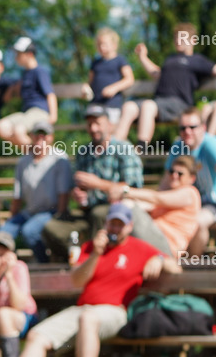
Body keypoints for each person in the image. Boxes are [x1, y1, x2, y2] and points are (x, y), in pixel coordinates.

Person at [0, 203, 182, 357]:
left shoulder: (139, 247)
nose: (115, 229)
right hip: (82, 309)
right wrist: (95, 254)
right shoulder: (91, 247)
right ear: (105, 225)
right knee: (38, 334)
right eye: (112, 224)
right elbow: (77, 280)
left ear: (129, 227)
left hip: (115, 312)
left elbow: (176, 269)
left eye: (120, 225)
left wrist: (158, 259)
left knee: (88, 319)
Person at [41, 103, 143, 262]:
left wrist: (98, 184)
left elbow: (134, 189)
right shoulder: (83, 152)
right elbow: (82, 193)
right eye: (90, 124)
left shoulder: (124, 149)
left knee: (99, 214)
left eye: (98, 123)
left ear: (109, 125)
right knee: (51, 228)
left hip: (117, 211)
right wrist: (79, 195)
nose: (94, 128)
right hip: (88, 212)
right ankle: (74, 265)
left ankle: (97, 264)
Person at [116, 24, 216, 143]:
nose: (178, 41)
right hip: (159, 102)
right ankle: (114, 148)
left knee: (148, 106)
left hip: (179, 103)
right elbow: (156, 74)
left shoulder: (197, 60)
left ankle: (140, 151)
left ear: (193, 40)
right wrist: (142, 57)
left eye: (182, 37)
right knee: (129, 107)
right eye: (176, 38)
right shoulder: (170, 59)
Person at [163, 109, 216, 255]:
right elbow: (165, 182)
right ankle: (173, 261)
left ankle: (194, 267)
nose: (187, 131)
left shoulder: (211, 144)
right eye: (183, 128)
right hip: (188, 203)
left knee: (197, 222)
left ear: (203, 128)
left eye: (192, 127)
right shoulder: (178, 146)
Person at [0, 120, 72, 262]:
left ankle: (44, 263)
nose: (40, 138)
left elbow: (64, 193)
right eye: (37, 134)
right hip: (29, 212)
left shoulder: (59, 159)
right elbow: (17, 196)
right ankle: (6, 268)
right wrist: (11, 219)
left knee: (29, 231)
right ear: (31, 136)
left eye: (44, 134)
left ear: (51, 137)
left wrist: (61, 215)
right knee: (1, 234)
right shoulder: (23, 161)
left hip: (52, 212)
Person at [107, 155, 201, 257]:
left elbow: (156, 198)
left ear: (192, 178)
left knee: (127, 208)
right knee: (121, 207)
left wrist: (125, 191)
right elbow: (147, 204)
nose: (174, 175)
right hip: (155, 238)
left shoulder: (190, 193)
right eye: (171, 171)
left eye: (180, 173)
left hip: (167, 247)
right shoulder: (170, 195)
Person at [0, 37, 57, 149]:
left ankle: (41, 155)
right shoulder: (24, 74)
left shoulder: (40, 71)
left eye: (19, 54)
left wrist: (53, 116)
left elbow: (50, 94)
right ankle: (35, 153)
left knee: (19, 130)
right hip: (26, 113)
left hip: (39, 111)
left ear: (29, 54)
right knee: (1, 127)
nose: (16, 57)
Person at [84, 28, 134, 123]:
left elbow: (129, 79)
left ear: (114, 45)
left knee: (111, 130)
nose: (102, 47)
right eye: (99, 44)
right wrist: (86, 88)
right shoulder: (95, 63)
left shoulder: (120, 60)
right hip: (95, 104)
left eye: (105, 44)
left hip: (112, 104)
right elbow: (90, 81)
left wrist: (114, 88)